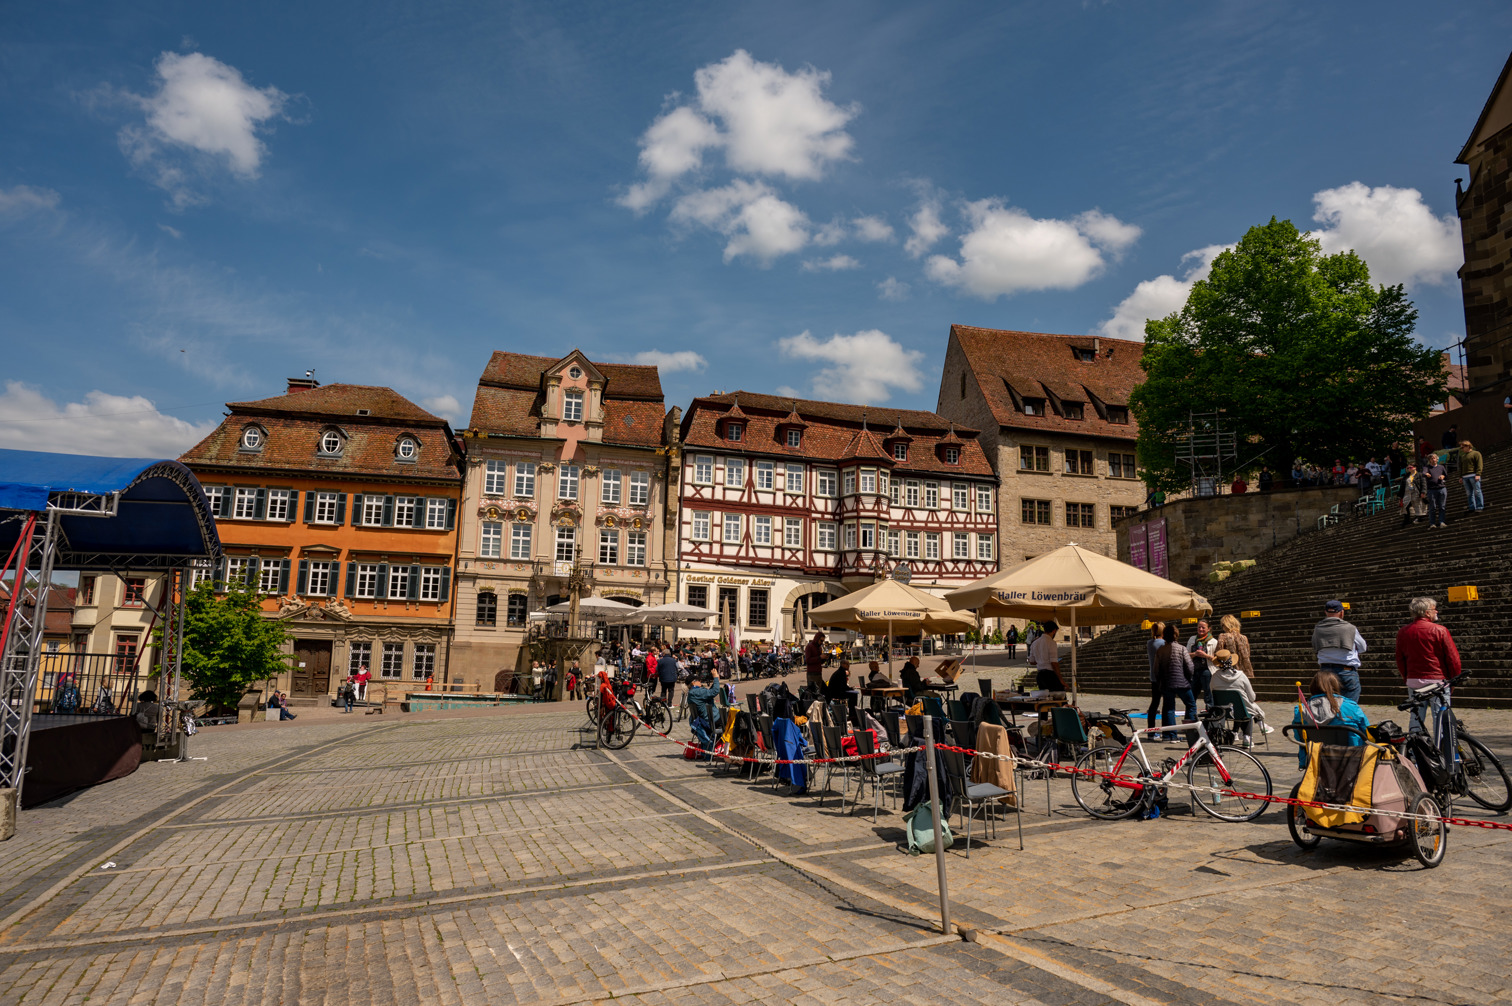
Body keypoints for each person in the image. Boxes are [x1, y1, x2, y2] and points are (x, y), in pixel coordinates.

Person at [1394, 596, 1463, 760]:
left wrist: (1407, 677)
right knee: (1440, 717)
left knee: (1416, 716)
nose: (1436, 611)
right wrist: (1454, 680)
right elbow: (1453, 659)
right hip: (1437, 680)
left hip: (1414, 680)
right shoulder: (1439, 630)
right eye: (1434, 609)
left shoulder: (1403, 632)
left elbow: (1400, 658)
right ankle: (1443, 751)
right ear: (1426, 612)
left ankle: (1416, 751)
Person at [1292, 670, 1369, 770]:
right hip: (1349, 759)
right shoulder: (1350, 707)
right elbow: (1367, 733)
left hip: (1316, 758)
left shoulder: (1301, 711)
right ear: (1336, 685)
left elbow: (1299, 737)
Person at [1209, 649, 1267, 749]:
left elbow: (1212, 692)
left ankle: (1243, 733)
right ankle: (1247, 737)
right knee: (1247, 707)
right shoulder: (1241, 676)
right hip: (1243, 710)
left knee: (1242, 706)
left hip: (1223, 712)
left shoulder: (1214, 677)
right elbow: (1252, 697)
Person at [1312, 599, 1366, 704]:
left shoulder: (1317, 628)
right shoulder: (1349, 628)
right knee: (1349, 707)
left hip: (1325, 672)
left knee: (1327, 705)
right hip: (1346, 671)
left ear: (1326, 612)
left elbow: (1315, 646)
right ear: (1341, 613)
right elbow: (1363, 647)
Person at [1154, 624, 1196, 742]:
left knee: (1168, 708)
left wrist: (1160, 681)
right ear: (1176, 635)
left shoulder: (1160, 650)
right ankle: (1189, 731)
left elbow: (1156, 669)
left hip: (1167, 682)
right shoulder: (1182, 648)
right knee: (1191, 705)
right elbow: (1190, 666)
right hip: (1182, 681)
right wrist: (1189, 678)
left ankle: (1170, 735)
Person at [1185, 619, 1217, 706]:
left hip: (1207, 670)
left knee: (1208, 694)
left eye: (1203, 627)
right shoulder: (1192, 639)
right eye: (1199, 627)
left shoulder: (1214, 642)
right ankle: (1191, 714)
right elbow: (1185, 654)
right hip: (1194, 670)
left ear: (1209, 629)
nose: (1201, 629)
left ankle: (1210, 714)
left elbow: (1216, 659)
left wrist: (1205, 655)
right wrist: (1195, 654)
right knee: (1192, 694)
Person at [1029, 619, 1065, 692]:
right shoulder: (1051, 643)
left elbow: (1031, 661)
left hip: (1040, 675)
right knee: (1058, 697)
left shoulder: (1035, 643)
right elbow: (1054, 663)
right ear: (1054, 631)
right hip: (1049, 674)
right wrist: (1061, 680)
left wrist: (1041, 660)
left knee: (1045, 698)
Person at [1145, 621, 1165, 736]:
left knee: (1154, 704)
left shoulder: (1149, 643)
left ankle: (1151, 731)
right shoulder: (1163, 643)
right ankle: (1166, 731)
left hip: (1153, 676)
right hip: (1163, 677)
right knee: (1166, 704)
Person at [1423, 453, 1449, 528]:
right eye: (1431, 458)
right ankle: (1432, 523)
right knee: (1432, 507)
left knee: (1442, 506)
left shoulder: (1441, 467)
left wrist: (1443, 476)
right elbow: (1423, 473)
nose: (1433, 460)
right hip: (1432, 489)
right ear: (1429, 460)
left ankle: (1442, 521)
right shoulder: (1427, 467)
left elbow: (1446, 476)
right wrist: (1426, 474)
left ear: (1437, 459)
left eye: (1434, 458)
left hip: (1442, 488)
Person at [1460, 439, 1484, 514]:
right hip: (1465, 476)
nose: (1462, 449)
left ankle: (1479, 506)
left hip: (1473, 475)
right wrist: (1460, 476)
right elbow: (1461, 467)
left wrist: (1478, 474)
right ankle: (1471, 507)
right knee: (1469, 493)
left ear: (1468, 446)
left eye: (1463, 447)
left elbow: (1479, 464)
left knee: (1477, 491)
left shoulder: (1476, 453)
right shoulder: (1463, 456)